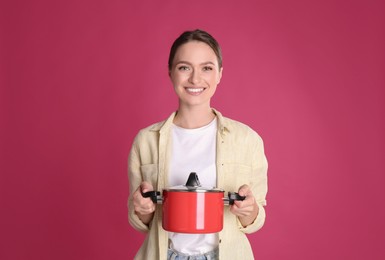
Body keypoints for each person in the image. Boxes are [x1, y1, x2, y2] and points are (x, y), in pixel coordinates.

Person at [128, 29, 268, 260]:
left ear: (220, 74)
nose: (195, 79)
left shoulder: (247, 139)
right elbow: (141, 222)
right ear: (170, 73)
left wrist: (249, 210)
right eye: (184, 67)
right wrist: (143, 210)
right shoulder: (146, 141)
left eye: (206, 68)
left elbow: (256, 219)